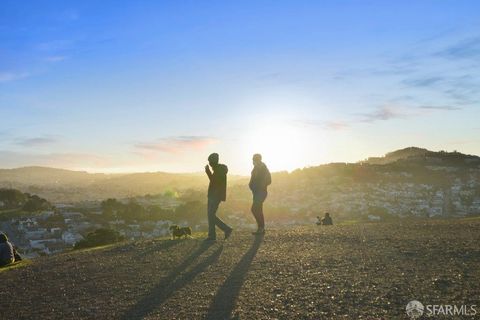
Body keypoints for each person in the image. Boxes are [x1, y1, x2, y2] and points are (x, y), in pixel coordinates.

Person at [205, 153, 233, 241]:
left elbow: (214, 182)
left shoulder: (219, 170)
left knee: (211, 215)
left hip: (215, 196)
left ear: (213, 161)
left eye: (210, 161)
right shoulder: (219, 169)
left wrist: (208, 172)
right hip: (214, 196)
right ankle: (212, 235)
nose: (209, 163)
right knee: (211, 215)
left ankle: (224, 230)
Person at [249, 154, 271, 235]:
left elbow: (269, 180)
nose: (252, 161)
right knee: (258, 210)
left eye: (253, 160)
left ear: (257, 160)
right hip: (256, 192)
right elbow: (253, 180)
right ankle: (261, 229)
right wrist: (251, 186)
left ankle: (261, 228)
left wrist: (260, 186)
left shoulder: (263, 168)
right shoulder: (256, 169)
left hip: (261, 192)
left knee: (254, 209)